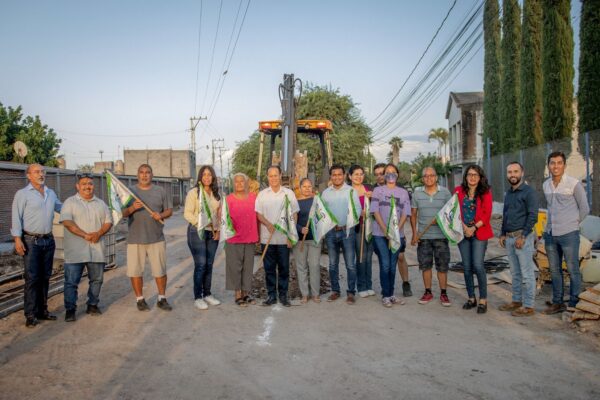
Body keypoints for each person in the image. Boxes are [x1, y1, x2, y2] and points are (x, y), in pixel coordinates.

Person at [11, 164, 62, 327]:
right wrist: (17, 239)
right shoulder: (22, 194)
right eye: (37, 172)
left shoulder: (50, 193)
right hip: (31, 242)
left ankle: (42, 310)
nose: (41, 174)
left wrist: (79, 203)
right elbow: (16, 217)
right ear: (28, 176)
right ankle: (30, 314)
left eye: (42, 171)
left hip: (48, 240)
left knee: (45, 277)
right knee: (32, 278)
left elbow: (62, 208)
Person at [59, 173, 113, 322]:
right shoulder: (69, 203)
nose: (87, 186)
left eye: (90, 183)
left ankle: (92, 304)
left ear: (93, 186)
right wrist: (85, 235)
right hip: (75, 251)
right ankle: (70, 309)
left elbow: (108, 222)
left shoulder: (101, 203)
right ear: (77, 186)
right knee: (71, 282)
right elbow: (68, 223)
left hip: (96, 250)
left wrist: (98, 233)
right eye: (84, 184)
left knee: (96, 280)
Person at [542, 151, 590, 314]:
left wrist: (573, 224)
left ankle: (574, 302)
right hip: (550, 234)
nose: (555, 166)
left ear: (564, 165)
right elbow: (550, 209)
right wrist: (545, 230)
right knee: (554, 270)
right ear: (548, 165)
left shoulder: (573, 184)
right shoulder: (546, 185)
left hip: (569, 234)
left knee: (572, 268)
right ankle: (557, 302)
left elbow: (584, 208)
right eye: (552, 163)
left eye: (559, 163)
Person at [122, 164, 173, 311]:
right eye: (142, 172)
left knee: (160, 270)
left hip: (156, 238)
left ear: (152, 175)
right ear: (137, 175)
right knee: (135, 271)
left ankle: (162, 298)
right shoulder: (130, 192)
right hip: (135, 238)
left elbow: (169, 210)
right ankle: (140, 299)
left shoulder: (160, 191)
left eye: (148, 172)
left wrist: (161, 215)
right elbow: (122, 213)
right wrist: (132, 208)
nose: (144, 175)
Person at [498, 162, 539, 317]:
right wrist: (502, 233)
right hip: (509, 238)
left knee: (527, 273)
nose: (512, 175)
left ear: (522, 172)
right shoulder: (508, 193)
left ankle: (529, 306)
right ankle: (516, 301)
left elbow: (533, 216)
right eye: (509, 172)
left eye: (515, 171)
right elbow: (506, 214)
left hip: (523, 238)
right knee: (515, 272)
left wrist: (523, 236)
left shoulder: (529, 192)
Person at [255, 165, 300, 307]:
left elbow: (294, 214)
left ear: (280, 175)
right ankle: (271, 296)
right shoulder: (262, 194)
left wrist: (290, 235)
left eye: (276, 175)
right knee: (269, 269)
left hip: (283, 239)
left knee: (284, 268)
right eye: (271, 175)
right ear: (267, 177)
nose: (273, 178)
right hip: (267, 239)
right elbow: (258, 214)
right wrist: (268, 224)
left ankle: (283, 295)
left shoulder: (288, 193)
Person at [410, 167, 452, 306]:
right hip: (424, 237)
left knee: (442, 267)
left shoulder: (445, 193)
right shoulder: (417, 194)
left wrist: (440, 219)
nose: (429, 178)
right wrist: (415, 234)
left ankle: (444, 293)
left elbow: (451, 213)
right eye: (426, 176)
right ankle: (428, 292)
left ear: (436, 177)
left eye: (432, 175)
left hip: (441, 236)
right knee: (425, 266)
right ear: (422, 179)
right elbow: (414, 215)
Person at [454, 165, 493, 314]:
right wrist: (464, 227)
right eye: (470, 174)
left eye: (475, 175)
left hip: (479, 231)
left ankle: (483, 299)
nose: (472, 177)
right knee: (467, 266)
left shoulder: (485, 192)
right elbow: (455, 210)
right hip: (463, 232)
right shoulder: (458, 191)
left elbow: (487, 213)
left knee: (478, 265)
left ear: (480, 177)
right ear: (465, 177)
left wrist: (473, 228)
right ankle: (471, 298)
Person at [371, 163, 410, 307]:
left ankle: (392, 294)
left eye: (393, 172)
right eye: (387, 172)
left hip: (396, 235)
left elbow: (405, 213)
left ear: (397, 174)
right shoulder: (377, 191)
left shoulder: (403, 193)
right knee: (385, 264)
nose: (391, 174)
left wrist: (395, 230)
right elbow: (375, 211)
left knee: (393, 266)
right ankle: (385, 295)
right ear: (384, 175)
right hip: (379, 234)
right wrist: (385, 230)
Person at [321, 164, 362, 304]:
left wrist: (349, 223)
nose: (337, 177)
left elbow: (358, 210)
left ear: (344, 176)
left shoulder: (351, 191)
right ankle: (335, 291)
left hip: (347, 232)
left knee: (350, 264)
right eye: (334, 175)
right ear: (331, 177)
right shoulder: (325, 193)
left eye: (339, 174)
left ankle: (351, 292)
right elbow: (322, 213)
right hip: (331, 233)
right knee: (333, 264)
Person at [184, 165, 222, 310]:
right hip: (197, 231)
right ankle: (198, 297)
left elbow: (218, 215)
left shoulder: (217, 194)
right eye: (204, 174)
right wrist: (201, 223)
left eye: (209, 174)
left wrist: (218, 230)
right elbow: (187, 213)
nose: (207, 177)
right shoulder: (194, 193)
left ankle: (207, 294)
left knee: (209, 264)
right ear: (200, 177)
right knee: (201, 264)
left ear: (213, 177)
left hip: (212, 233)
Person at [225, 173, 258, 307]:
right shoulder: (228, 199)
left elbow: (258, 216)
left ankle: (246, 293)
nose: (239, 184)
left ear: (246, 183)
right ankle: (237, 294)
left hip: (250, 237)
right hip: (233, 239)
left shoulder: (254, 198)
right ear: (233, 184)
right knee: (235, 267)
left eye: (242, 181)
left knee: (247, 267)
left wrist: (265, 227)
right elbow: (223, 218)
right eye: (236, 182)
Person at [293, 178, 322, 303]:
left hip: (315, 239)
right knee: (301, 267)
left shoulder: (317, 201)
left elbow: (322, 217)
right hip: (300, 240)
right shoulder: (295, 203)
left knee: (314, 266)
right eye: (304, 186)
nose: (307, 189)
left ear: (312, 187)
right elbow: (291, 220)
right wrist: (300, 228)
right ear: (299, 188)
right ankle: (304, 294)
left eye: (309, 186)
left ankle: (315, 294)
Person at [348, 164, 375, 298]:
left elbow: (377, 207)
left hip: (370, 227)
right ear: (350, 176)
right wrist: (359, 213)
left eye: (361, 174)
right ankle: (361, 286)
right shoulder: (348, 191)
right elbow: (346, 211)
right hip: (357, 228)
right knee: (361, 257)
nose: (359, 177)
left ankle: (369, 285)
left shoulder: (370, 189)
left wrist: (372, 198)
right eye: (356, 174)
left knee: (369, 257)